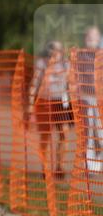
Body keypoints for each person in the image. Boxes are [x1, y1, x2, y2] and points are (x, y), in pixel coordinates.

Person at [28, 40, 74, 179]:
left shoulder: (66, 65)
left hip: (61, 102)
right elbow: (34, 84)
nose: (54, 53)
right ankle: (45, 168)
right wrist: (30, 105)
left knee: (63, 135)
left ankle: (59, 166)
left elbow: (72, 84)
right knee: (45, 136)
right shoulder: (42, 64)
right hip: (44, 102)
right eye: (51, 50)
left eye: (57, 50)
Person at [75, 25, 101, 172]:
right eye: (90, 37)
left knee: (100, 132)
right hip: (86, 98)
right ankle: (90, 165)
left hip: (100, 99)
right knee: (88, 132)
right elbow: (75, 77)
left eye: (96, 37)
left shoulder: (101, 55)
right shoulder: (80, 55)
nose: (93, 40)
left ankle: (98, 161)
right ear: (86, 39)